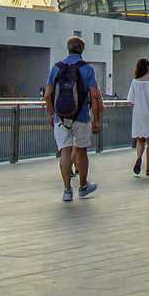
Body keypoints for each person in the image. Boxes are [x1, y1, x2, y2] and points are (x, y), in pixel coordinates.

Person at [45, 36, 102, 202]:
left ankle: (67, 190)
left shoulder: (56, 68)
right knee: (82, 151)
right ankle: (83, 186)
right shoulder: (87, 69)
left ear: (68, 49)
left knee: (65, 151)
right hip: (82, 116)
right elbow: (95, 96)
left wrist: (51, 115)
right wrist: (96, 119)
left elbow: (48, 95)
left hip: (60, 117)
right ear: (82, 49)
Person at [127, 57, 149, 177]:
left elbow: (131, 100)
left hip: (139, 114)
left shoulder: (135, 82)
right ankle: (148, 168)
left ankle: (138, 157)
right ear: (148, 68)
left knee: (140, 139)